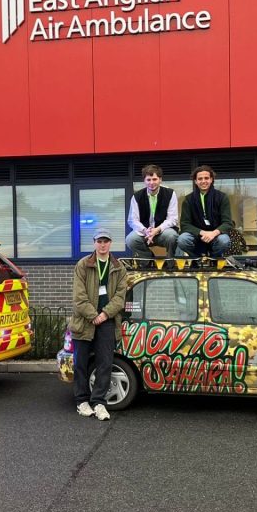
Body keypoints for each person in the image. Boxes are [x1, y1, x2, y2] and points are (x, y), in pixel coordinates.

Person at [70, 227, 127, 421]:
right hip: (84, 321)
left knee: (105, 364)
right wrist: (93, 315)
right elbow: (79, 297)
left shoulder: (119, 267)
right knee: (81, 364)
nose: (102, 245)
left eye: (106, 241)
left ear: (110, 243)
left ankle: (99, 403)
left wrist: (104, 315)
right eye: (99, 241)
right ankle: (82, 401)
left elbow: (120, 298)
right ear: (94, 243)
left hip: (107, 322)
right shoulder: (83, 265)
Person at [177, 165, 234, 257]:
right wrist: (202, 232)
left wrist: (213, 233)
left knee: (224, 240)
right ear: (195, 181)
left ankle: (214, 258)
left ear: (211, 179)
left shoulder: (222, 197)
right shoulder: (188, 199)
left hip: (216, 235)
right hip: (196, 235)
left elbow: (227, 223)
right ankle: (197, 258)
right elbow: (185, 224)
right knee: (182, 240)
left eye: (206, 178)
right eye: (200, 179)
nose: (203, 181)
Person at [126, 164, 179, 258]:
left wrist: (157, 230)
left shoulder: (170, 193)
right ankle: (149, 260)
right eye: (148, 180)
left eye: (154, 179)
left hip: (163, 232)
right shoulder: (137, 196)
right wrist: (145, 230)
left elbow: (173, 219)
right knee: (131, 239)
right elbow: (132, 220)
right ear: (144, 181)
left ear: (160, 179)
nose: (151, 182)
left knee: (172, 236)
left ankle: (170, 262)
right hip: (144, 233)